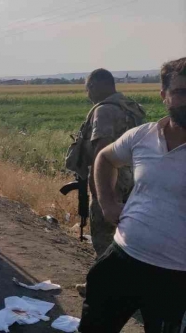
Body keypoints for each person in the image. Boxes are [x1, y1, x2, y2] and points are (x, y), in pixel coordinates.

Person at [79, 57, 186, 332]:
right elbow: (104, 157)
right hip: (122, 259)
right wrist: (107, 203)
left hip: (174, 276)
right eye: (181, 92)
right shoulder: (143, 136)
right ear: (164, 96)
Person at [66, 69, 145, 295]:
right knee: (127, 237)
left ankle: (102, 289)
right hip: (135, 179)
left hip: (112, 181)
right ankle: (127, 285)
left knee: (103, 235)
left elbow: (102, 155)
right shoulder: (130, 107)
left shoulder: (105, 112)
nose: (87, 94)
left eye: (88, 88)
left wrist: (99, 195)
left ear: (98, 85)